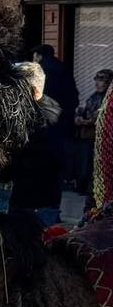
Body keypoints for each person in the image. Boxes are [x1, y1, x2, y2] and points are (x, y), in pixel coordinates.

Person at [8, 62, 65, 227]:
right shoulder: (51, 105)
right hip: (40, 197)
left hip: (35, 201)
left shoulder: (40, 118)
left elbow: (45, 158)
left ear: (30, 89)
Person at [75, 69, 111, 195]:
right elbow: (82, 110)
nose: (97, 83)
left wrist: (87, 121)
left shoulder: (108, 99)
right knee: (85, 165)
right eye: (97, 80)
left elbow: (102, 116)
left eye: (101, 81)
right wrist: (79, 118)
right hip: (87, 137)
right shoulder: (93, 96)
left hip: (101, 138)